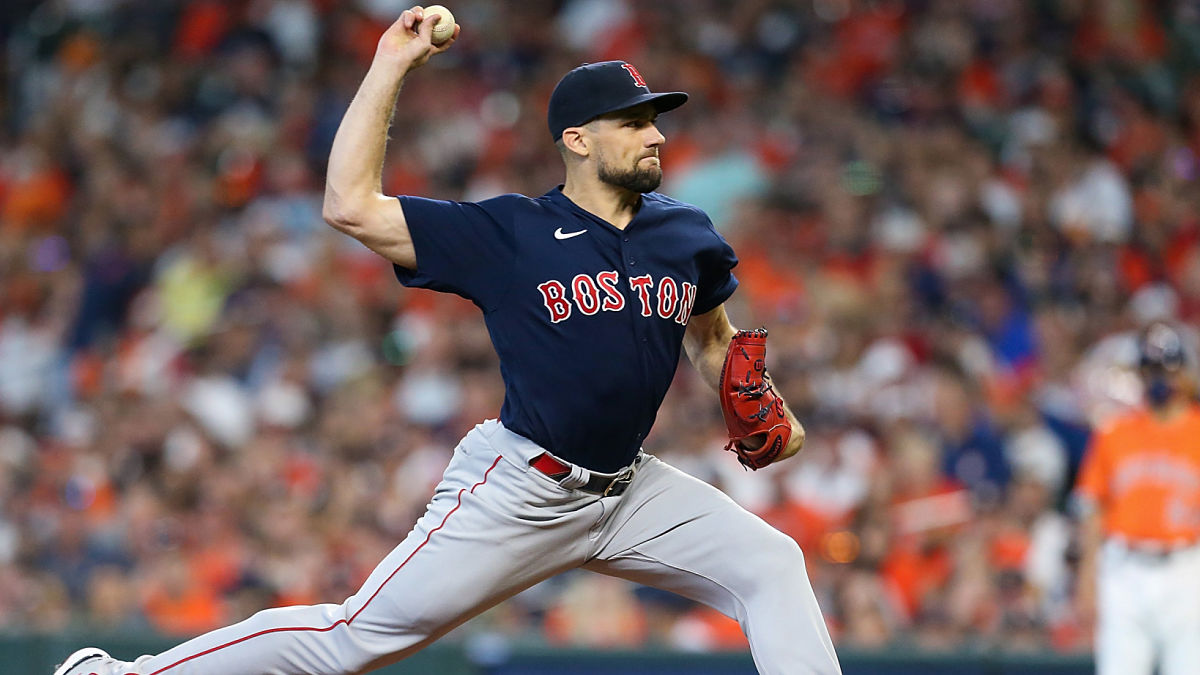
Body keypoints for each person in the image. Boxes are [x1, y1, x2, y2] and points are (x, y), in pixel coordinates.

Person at [55, 7, 840, 675]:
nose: (653, 135)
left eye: (655, 120)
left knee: (771, 564)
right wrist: (391, 63)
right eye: (632, 122)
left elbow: (712, 338)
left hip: (632, 490)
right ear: (576, 139)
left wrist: (757, 398)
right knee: (350, 639)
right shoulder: (509, 231)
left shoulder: (686, 233)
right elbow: (349, 204)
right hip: (525, 491)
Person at [1073, 321, 1200, 675]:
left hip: (1187, 568)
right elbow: (1092, 506)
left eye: (1166, 369)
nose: (1159, 379)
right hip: (1124, 569)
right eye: (1150, 370)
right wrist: (1087, 578)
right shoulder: (1115, 431)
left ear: (1185, 373)